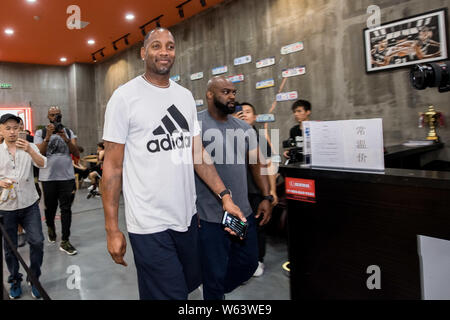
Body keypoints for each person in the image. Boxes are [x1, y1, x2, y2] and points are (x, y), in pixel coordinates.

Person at [101, 28, 245, 300]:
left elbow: (197, 154)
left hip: (187, 220)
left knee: (180, 288)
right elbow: (112, 167)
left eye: (169, 46)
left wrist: (224, 196)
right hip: (148, 224)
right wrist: (111, 229)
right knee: (174, 295)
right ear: (143, 53)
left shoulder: (184, 97)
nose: (164, 51)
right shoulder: (124, 97)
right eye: (156, 46)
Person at [195, 77, 273, 300]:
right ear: (209, 94)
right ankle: (213, 290)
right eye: (225, 92)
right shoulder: (196, 125)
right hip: (209, 217)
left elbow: (256, 164)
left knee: (248, 263)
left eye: (234, 92)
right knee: (214, 272)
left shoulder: (243, 127)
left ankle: (214, 288)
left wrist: (267, 195)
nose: (231, 96)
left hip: (240, 213)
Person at [0, 114, 47, 299]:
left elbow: (43, 164)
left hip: (29, 205)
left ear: (20, 128)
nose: (12, 132)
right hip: (6, 207)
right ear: (1, 131)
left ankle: (34, 278)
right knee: (10, 248)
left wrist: (30, 150)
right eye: (8, 128)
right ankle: (14, 280)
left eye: (15, 128)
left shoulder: (29, 146)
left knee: (37, 241)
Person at [234, 102, 279, 277]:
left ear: (254, 117)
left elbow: (269, 166)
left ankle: (257, 260)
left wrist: (272, 192)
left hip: (257, 191)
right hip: (237, 192)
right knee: (239, 228)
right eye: (240, 112)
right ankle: (241, 261)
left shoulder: (260, 136)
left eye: (248, 112)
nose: (244, 114)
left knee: (258, 227)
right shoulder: (230, 136)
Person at [34, 106, 80, 255]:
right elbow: (39, 154)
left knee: (66, 209)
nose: (55, 117)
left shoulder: (68, 131)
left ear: (61, 115)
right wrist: (48, 136)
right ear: (48, 117)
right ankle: (51, 227)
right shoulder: (40, 133)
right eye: (52, 115)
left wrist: (66, 139)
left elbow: (76, 152)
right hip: (48, 178)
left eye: (57, 115)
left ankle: (65, 240)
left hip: (66, 177)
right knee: (50, 208)